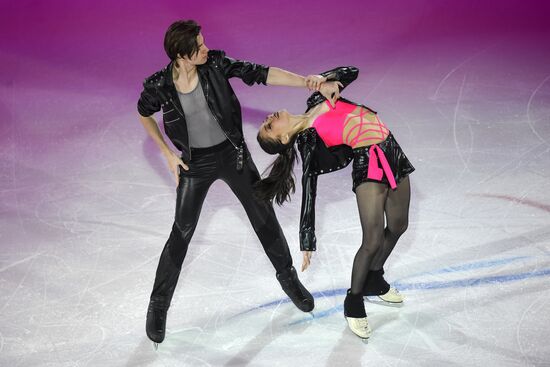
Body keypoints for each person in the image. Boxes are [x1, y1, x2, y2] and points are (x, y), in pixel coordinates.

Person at [137, 20, 330, 345]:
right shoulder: (160, 86)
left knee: (263, 217)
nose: (206, 48)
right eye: (199, 46)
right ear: (182, 57)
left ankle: (289, 280)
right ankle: (158, 305)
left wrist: (307, 83)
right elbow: (144, 113)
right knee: (181, 232)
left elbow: (262, 73)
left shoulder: (215, 65)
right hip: (194, 163)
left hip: (233, 154)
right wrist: (168, 155)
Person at [255, 66, 415, 339]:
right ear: (284, 139)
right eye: (270, 126)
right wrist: (307, 239)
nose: (270, 118)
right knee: (373, 239)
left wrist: (322, 82)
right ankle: (353, 301)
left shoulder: (316, 101)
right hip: (368, 164)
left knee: (399, 225)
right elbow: (309, 187)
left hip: (391, 148)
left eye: (267, 120)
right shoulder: (307, 139)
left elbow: (351, 71)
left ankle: (374, 278)